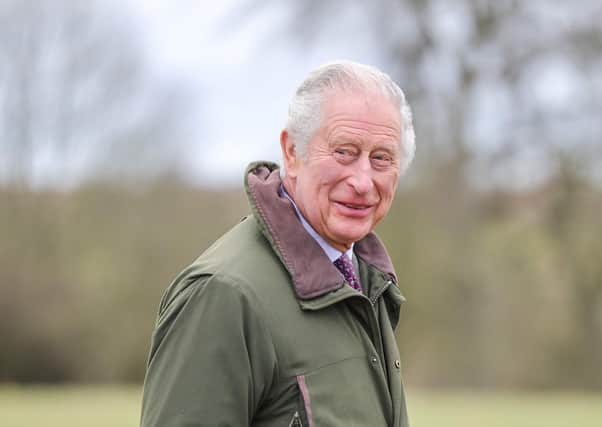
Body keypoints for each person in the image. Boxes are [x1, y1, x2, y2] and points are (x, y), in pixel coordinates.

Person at [140, 60, 416, 427]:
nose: (363, 181)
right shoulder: (222, 294)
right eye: (344, 152)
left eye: (381, 158)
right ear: (291, 152)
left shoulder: (369, 283)